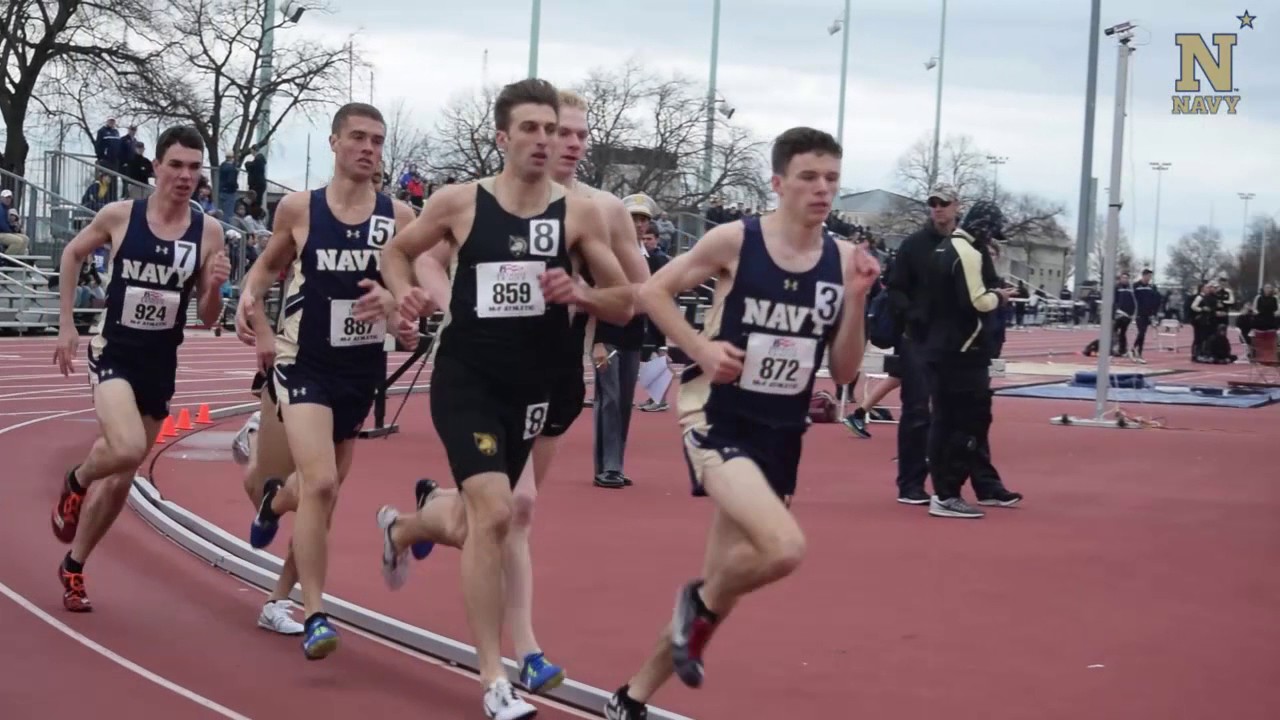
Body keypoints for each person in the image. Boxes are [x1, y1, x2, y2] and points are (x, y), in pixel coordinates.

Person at [375, 87, 650, 695]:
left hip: (542, 384)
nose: (549, 141)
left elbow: (629, 299)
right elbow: (402, 252)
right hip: (469, 377)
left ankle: (410, 525)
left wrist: (581, 297)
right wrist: (410, 297)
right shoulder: (459, 202)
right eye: (533, 129)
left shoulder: (583, 215)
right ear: (504, 137)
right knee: (502, 511)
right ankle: (498, 671)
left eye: (557, 130)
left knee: (494, 517)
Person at [604, 127, 879, 719]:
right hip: (717, 417)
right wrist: (700, 350)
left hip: (780, 432)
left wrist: (856, 299)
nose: (822, 189)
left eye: (831, 178)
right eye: (808, 176)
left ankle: (630, 698)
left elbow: (846, 368)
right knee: (781, 548)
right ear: (778, 183)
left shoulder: (844, 260)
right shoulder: (736, 240)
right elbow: (651, 292)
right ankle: (694, 607)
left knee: (720, 584)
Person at [233, 102, 418, 660]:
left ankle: (275, 546)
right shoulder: (300, 208)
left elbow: (409, 296)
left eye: (377, 140)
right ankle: (315, 613)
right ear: (335, 143)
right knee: (320, 484)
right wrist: (254, 311)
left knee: (321, 496)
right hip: (302, 360)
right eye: (358, 137)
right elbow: (263, 271)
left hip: (360, 369)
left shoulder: (401, 218)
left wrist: (403, 318)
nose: (369, 148)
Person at [50, 125, 231, 612]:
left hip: (160, 362)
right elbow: (71, 254)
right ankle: (76, 480)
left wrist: (214, 286)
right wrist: (67, 324)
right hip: (114, 351)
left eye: (194, 168)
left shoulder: (207, 231)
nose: (185, 176)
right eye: (176, 165)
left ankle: (74, 566)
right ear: (156, 167)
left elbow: (210, 318)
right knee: (127, 447)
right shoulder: (121, 215)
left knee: (125, 474)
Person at [922, 201, 1019, 519]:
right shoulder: (967, 253)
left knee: (945, 421)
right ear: (983, 229)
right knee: (969, 422)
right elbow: (976, 300)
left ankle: (949, 489)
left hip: (943, 347)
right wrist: (999, 297)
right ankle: (948, 493)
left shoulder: (945, 248)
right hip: (963, 351)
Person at [885, 185, 959, 505]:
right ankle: (910, 484)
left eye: (944, 203)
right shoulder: (913, 246)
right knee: (917, 410)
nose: (938, 208)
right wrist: (914, 314)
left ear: (956, 206)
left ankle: (957, 483)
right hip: (918, 339)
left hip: (956, 341)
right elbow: (895, 287)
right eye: (933, 204)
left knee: (958, 412)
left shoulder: (966, 245)